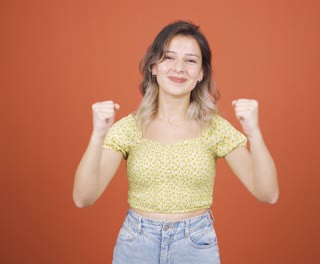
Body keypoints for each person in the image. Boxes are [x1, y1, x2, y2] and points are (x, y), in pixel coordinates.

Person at [73, 20, 279, 264]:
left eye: (190, 60)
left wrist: (253, 133)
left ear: (202, 73)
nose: (179, 68)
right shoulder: (128, 128)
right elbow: (83, 198)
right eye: (169, 58)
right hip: (137, 247)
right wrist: (98, 135)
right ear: (153, 66)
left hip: (195, 247)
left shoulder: (214, 128)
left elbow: (268, 194)